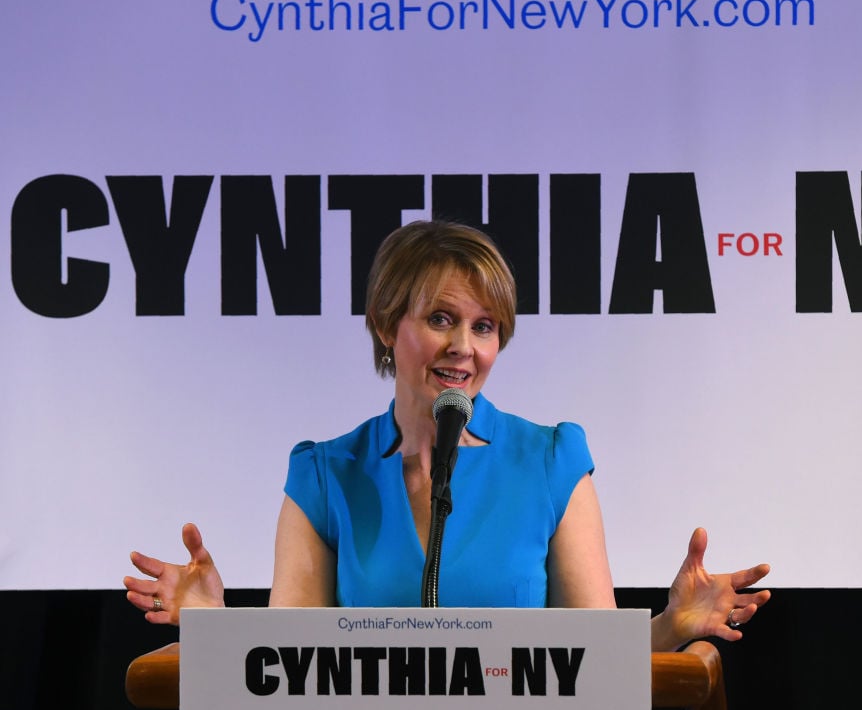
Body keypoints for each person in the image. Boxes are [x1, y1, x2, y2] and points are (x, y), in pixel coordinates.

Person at [125, 220, 770, 651]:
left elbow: (591, 660)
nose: (465, 348)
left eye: (485, 327)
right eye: (440, 319)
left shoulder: (551, 461)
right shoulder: (325, 476)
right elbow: (299, 666)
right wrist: (217, 629)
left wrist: (666, 629)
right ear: (385, 324)